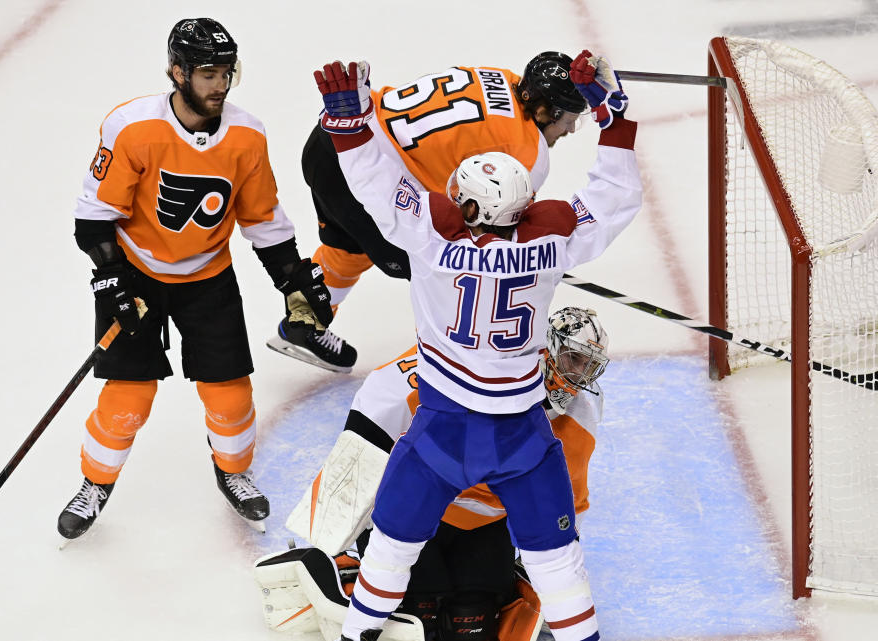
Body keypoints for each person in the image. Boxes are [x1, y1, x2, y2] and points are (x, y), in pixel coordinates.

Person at [312, 50, 639, 641]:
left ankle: (353, 635)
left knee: (388, 553)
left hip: (441, 432)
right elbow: (616, 195)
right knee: (560, 569)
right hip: (523, 438)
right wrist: (614, 119)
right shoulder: (552, 238)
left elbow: (377, 186)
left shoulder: (429, 235)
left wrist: (351, 129)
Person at [56, 18, 333, 539]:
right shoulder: (132, 127)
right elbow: (93, 218)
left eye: (226, 73)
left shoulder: (247, 135)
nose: (220, 86)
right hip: (135, 274)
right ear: (176, 71)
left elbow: (263, 219)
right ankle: (95, 483)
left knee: (230, 397)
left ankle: (233, 472)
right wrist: (111, 280)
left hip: (208, 278)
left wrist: (292, 279)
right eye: (207, 74)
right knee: (127, 402)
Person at [255, 307, 610, 641]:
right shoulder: (474, 368)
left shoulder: (581, 413)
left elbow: (568, 500)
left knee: (471, 624)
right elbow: (379, 403)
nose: (577, 376)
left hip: (483, 524)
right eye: (573, 358)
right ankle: (342, 571)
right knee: (419, 616)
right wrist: (346, 521)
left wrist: (549, 567)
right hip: (419, 503)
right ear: (546, 346)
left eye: (588, 366)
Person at [266, 52, 588, 373]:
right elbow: (495, 229)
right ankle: (449, 369)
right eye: (569, 119)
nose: (571, 129)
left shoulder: (504, 76)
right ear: (546, 110)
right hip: (362, 166)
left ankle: (303, 321)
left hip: (333, 138)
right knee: (445, 269)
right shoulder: (529, 155)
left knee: (350, 244)